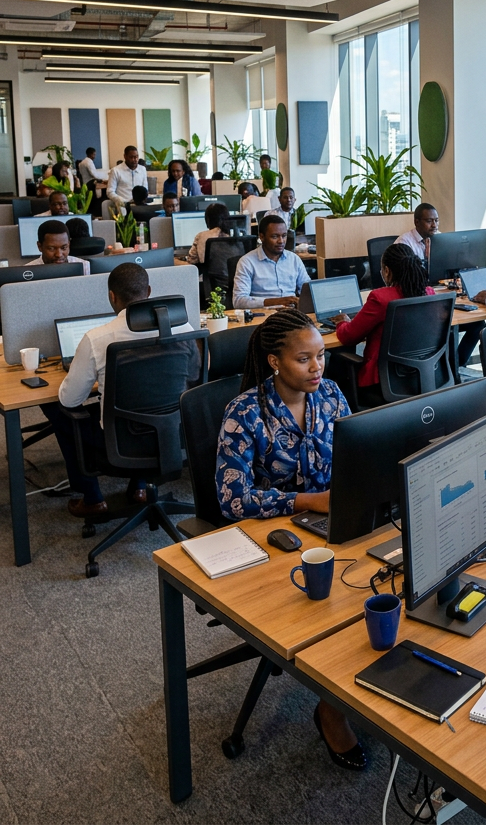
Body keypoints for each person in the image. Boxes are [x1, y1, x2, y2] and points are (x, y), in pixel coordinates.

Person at [214, 309, 366, 771]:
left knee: (381, 583)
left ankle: (356, 691)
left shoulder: (332, 396)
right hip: (269, 539)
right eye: (305, 359)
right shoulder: (244, 414)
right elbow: (232, 499)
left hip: (327, 521)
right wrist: (307, 501)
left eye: (321, 355)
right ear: (275, 361)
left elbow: (360, 452)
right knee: (341, 600)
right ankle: (332, 710)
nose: (318, 367)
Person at [43, 264, 194, 516]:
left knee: (59, 410)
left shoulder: (98, 338)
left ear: (111, 296)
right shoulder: (183, 329)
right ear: (148, 291)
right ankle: (139, 488)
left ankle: (92, 498)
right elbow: (195, 377)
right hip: (174, 433)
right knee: (146, 404)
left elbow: (70, 400)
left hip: (122, 442)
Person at [333, 243, 435, 407]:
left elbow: (348, 336)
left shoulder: (380, 298)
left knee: (338, 363)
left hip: (383, 383)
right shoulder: (429, 293)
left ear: (387, 271)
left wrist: (343, 321)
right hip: (422, 376)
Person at [233, 214, 310, 309]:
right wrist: (278, 301)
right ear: (262, 237)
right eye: (275, 236)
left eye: (284, 236)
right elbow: (239, 301)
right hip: (265, 316)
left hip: (292, 314)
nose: (281, 241)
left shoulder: (294, 259)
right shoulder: (247, 262)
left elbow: (308, 291)